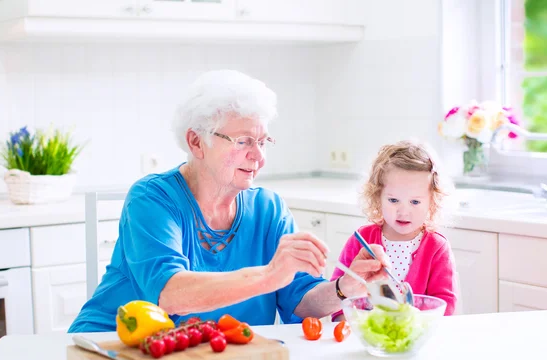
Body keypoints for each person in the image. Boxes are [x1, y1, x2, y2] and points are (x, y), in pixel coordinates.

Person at [68, 70, 385, 333]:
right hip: (113, 349)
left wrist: (345, 287)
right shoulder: (152, 199)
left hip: (208, 358)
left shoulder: (268, 210)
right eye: (244, 141)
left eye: (262, 142)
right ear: (197, 142)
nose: (258, 157)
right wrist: (269, 275)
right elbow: (171, 294)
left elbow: (300, 300)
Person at [330, 140, 457, 321]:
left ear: (432, 201)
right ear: (377, 195)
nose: (403, 212)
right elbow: (340, 295)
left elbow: (444, 304)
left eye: (415, 202)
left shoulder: (437, 247)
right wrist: (347, 321)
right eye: (393, 200)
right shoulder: (362, 239)